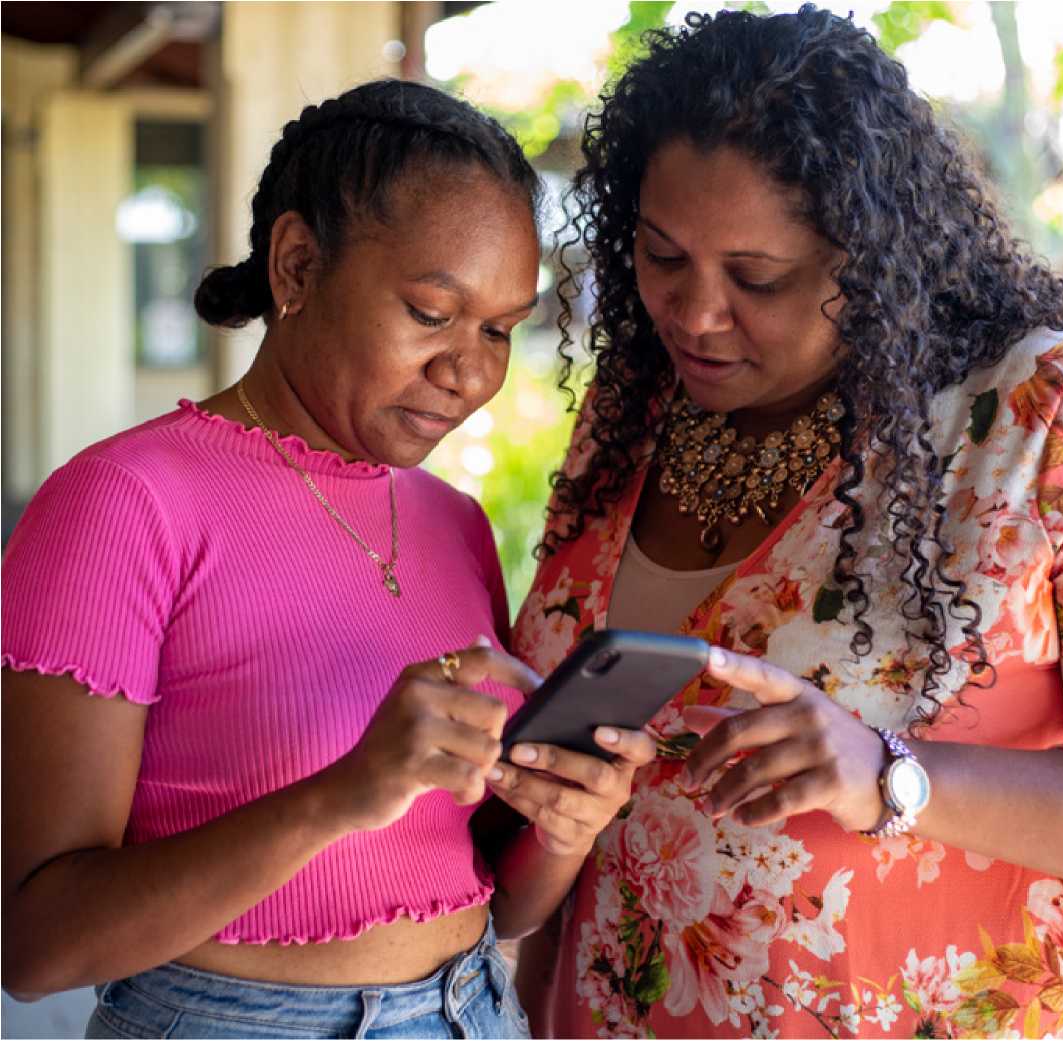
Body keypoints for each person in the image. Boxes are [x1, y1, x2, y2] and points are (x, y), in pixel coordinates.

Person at [512, 8, 1063, 1039]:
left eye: (757, 278)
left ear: (872, 261)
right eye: (661, 255)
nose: (694, 313)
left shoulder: (1039, 414)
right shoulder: (637, 412)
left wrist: (894, 775)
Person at [1, 79, 655, 1040]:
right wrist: (338, 796)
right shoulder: (124, 503)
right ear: (298, 265)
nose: (469, 372)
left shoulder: (452, 523)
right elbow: (34, 945)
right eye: (430, 312)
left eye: (498, 329)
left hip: (474, 1007)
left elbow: (494, 900)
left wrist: (565, 827)